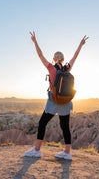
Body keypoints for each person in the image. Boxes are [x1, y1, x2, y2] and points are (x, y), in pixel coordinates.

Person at [24, 31, 88, 160]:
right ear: (63, 59)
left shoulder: (51, 68)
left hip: (53, 100)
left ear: (54, 59)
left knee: (42, 123)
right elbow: (75, 57)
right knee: (65, 126)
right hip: (65, 101)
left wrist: (35, 41)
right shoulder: (67, 69)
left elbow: (40, 55)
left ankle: (37, 150)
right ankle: (67, 153)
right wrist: (81, 45)